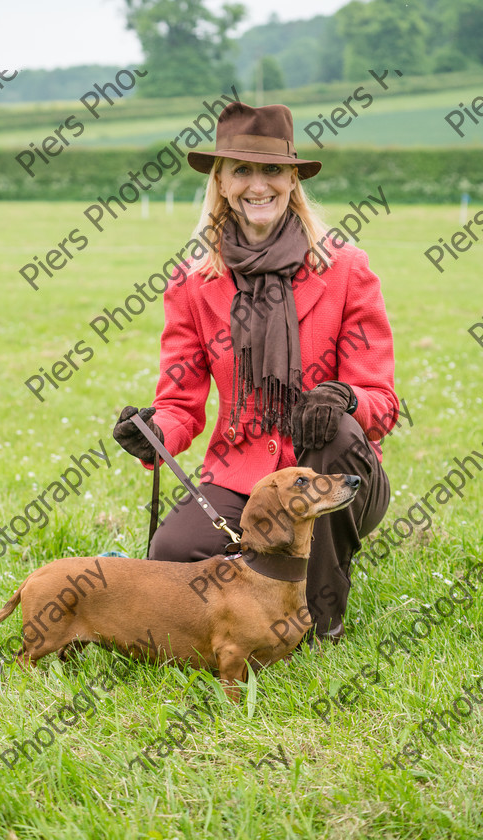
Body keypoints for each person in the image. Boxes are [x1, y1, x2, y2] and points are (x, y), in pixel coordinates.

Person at [113, 101, 398, 643]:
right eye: (241, 170)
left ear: (293, 180)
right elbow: (180, 402)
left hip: (336, 474)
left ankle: (322, 615)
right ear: (219, 181)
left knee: (333, 431)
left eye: (271, 170)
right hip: (241, 477)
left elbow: (381, 401)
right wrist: (155, 431)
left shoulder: (347, 269)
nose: (257, 185)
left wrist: (342, 398)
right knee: (172, 554)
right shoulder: (192, 281)